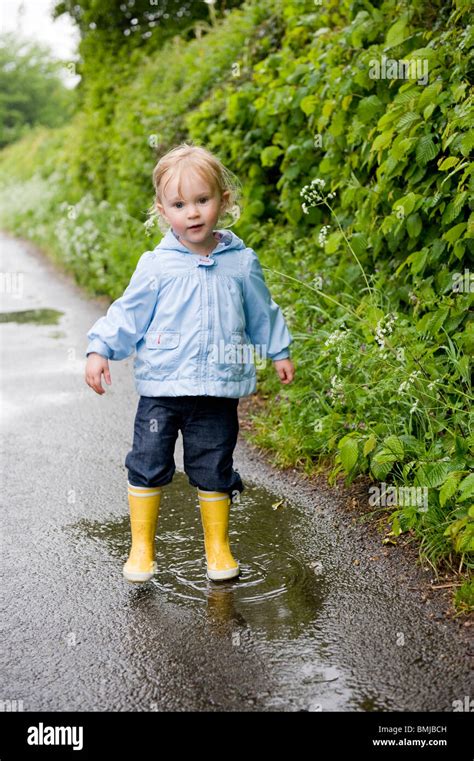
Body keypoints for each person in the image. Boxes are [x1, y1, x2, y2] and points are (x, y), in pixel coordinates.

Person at [85, 143, 295, 584]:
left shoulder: (241, 264)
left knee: (214, 467)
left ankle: (217, 549)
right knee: (147, 461)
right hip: (162, 390)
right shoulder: (157, 266)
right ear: (163, 211)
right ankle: (141, 547)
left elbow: (263, 312)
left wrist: (278, 349)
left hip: (217, 391)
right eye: (180, 204)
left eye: (203, 200)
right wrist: (100, 348)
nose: (193, 213)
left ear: (224, 200)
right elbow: (128, 312)